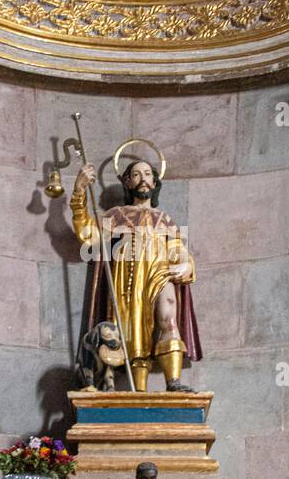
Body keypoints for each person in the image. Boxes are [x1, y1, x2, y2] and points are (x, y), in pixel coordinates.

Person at [70, 155, 202, 390]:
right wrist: (79, 193)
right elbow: (88, 236)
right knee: (134, 332)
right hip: (127, 280)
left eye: (148, 174)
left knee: (168, 317)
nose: (143, 179)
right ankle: (139, 391)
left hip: (160, 273)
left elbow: (178, 250)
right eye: (136, 175)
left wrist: (187, 264)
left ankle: (173, 382)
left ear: (155, 183)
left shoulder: (165, 220)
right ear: (128, 182)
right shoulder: (115, 216)